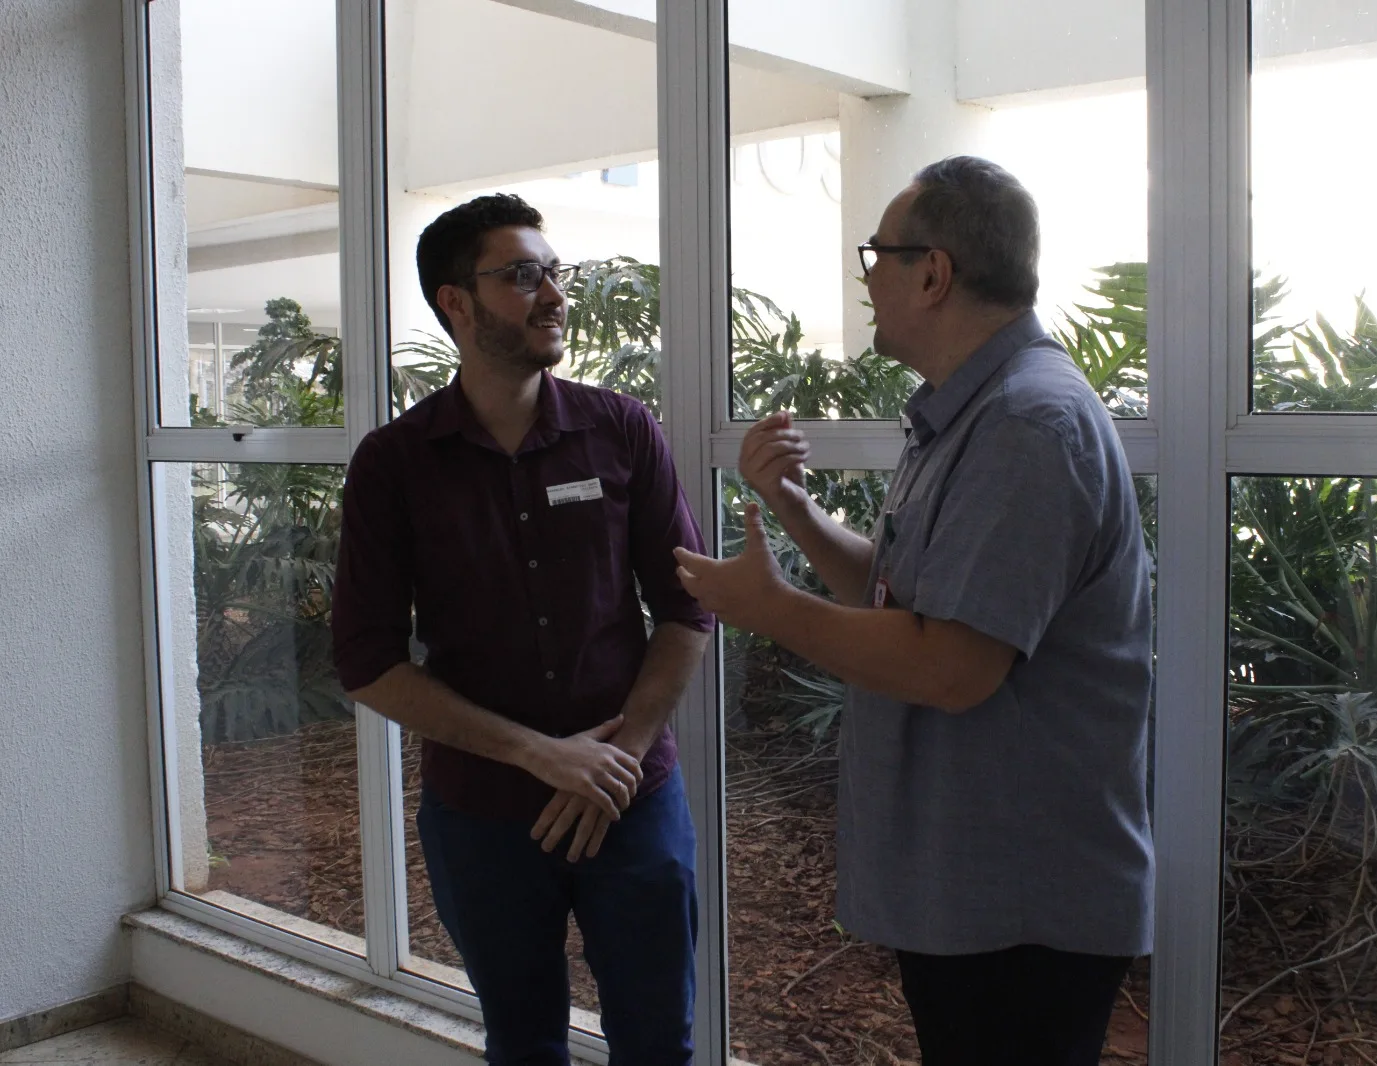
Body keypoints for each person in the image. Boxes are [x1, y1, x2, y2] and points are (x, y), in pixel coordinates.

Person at [675, 156, 1153, 1065]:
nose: (865, 279)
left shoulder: (1024, 426)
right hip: (979, 886)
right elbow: (909, 602)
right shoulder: (969, 414)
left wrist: (770, 608)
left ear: (932, 273)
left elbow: (950, 666)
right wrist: (797, 513)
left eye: (877, 256)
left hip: (1023, 904)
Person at [331, 193, 712, 1066]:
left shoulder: (620, 430)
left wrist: (615, 758)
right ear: (455, 301)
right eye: (522, 275)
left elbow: (688, 603)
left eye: (555, 272)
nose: (553, 295)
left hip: (632, 802)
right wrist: (542, 756)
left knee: (658, 1042)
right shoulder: (395, 464)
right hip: (485, 817)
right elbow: (367, 660)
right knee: (525, 1041)